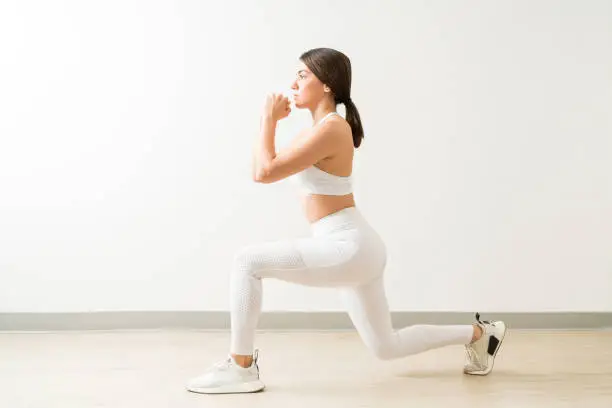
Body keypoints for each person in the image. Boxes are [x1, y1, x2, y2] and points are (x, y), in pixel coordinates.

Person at [186, 47, 507, 394]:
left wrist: (268, 119)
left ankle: (241, 366)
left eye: (303, 74)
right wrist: (270, 123)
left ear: (326, 85)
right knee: (387, 347)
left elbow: (264, 171)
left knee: (246, 262)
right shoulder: (319, 130)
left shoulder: (332, 128)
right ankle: (480, 334)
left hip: (347, 245)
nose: (294, 82)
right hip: (352, 247)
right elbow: (263, 167)